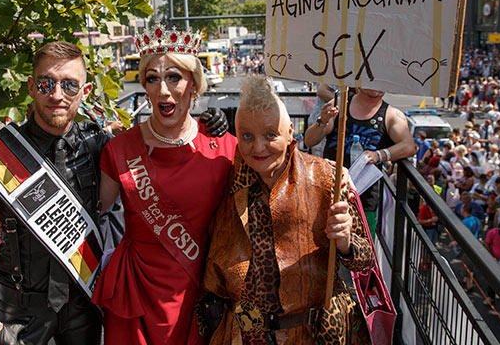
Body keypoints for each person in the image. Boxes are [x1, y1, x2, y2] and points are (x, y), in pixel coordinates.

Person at [0, 42, 108, 344]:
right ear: (31, 86)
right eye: (46, 83)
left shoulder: (100, 146)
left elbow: (154, 157)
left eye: (69, 85)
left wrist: (215, 130)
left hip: (84, 305)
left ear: (85, 91)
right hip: (14, 312)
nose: (57, 94)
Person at [201, 76, 373, 344]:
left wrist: (346, 243)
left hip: (310, 333)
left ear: (290, 131)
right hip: (243, 334)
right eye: (247, 136)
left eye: (271, 135)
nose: (258, 148)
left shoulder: (327, 177)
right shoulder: (225, 180)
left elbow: (364, 260)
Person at [92, 27, 237, 344]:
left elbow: (273, 170)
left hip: (200, 293)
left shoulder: (225, 148)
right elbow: (92, 215)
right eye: (153, 79)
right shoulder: (119, 151)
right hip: (134, 293)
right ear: (144, 85)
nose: (163, 90)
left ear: (194, 84)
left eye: (174, 77)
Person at [304, 88, 417, 238]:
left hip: (363, 199)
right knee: (323, 248)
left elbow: (409, 146)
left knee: (359, 253)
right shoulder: (340, 104)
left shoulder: (391, 115)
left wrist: (380, 155)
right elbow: (309, 140)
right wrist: (322, 120)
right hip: (329, 193)